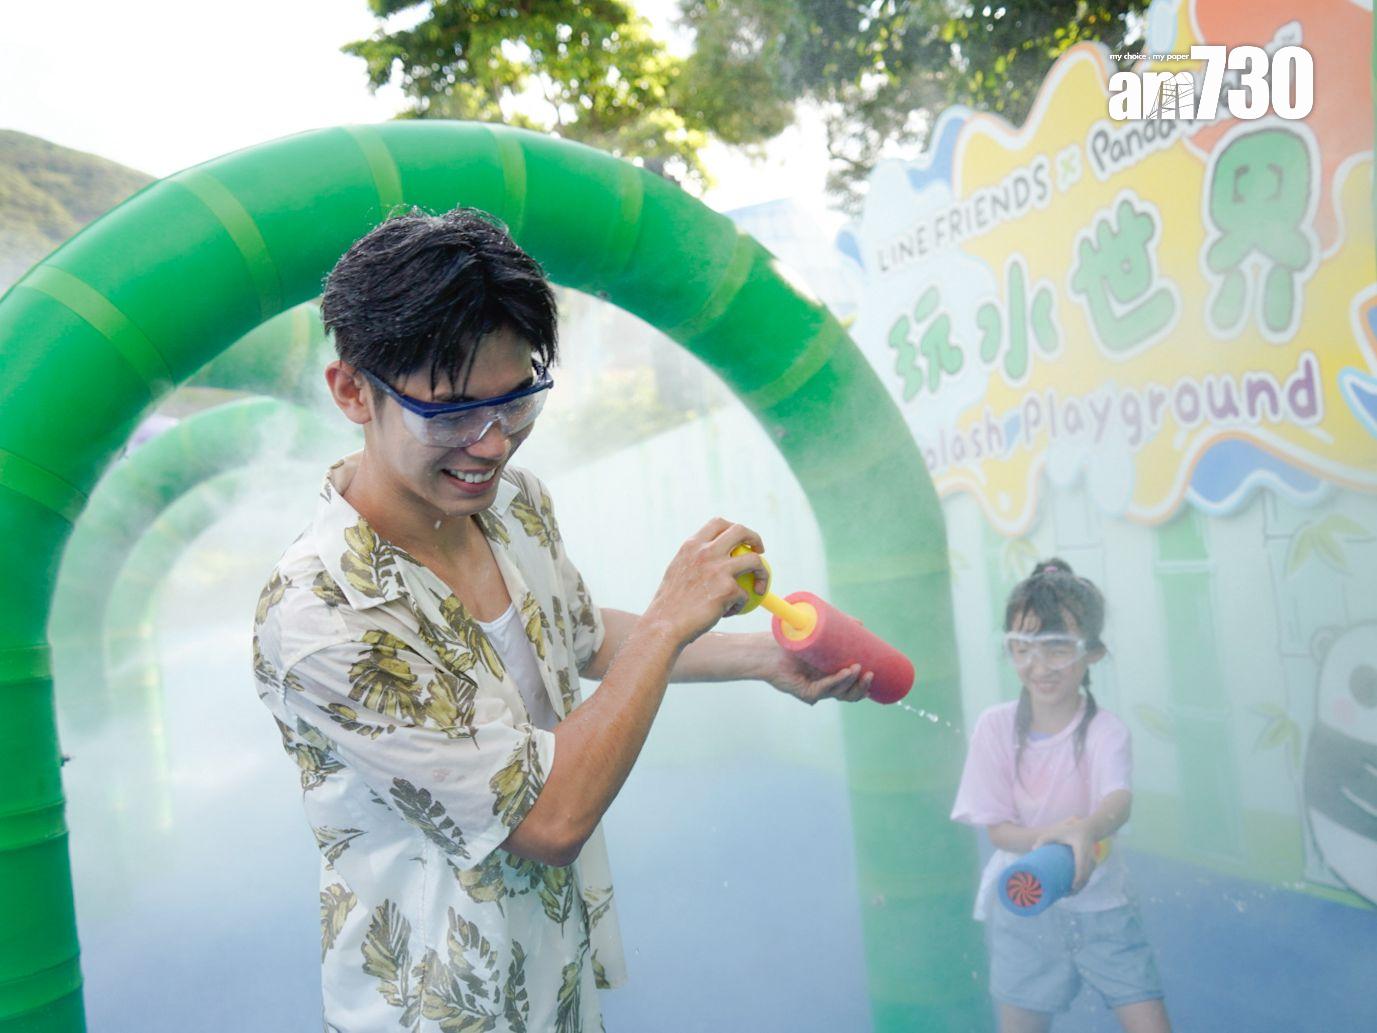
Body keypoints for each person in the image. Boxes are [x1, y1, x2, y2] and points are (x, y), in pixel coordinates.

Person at [251, 206, 873, 1033]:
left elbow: (577, 635)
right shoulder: (319, 615)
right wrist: (669, 618)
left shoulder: (510, 503)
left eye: (516, 400)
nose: (491, 444)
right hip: (436, 1008)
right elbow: (547, 818)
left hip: (551, 967)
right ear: (352, 390)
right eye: (452, 411)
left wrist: (761, 656)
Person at [950, 559, 1171, 1032]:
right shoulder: (995, 727)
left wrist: (1087, 829)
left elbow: (1118, 799)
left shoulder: (1105, 731)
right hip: (1023, 901)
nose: (1039, 666)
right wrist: (1057, 835)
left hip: (1103, 906)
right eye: (1023, 648)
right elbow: (999, 831)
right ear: (1009, 648)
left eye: (1057, 648)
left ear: (1092, 653)